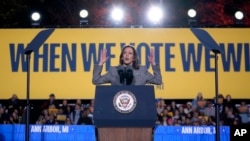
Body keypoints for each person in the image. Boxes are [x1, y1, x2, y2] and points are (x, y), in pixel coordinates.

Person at [92, 45, 162, 85]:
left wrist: (153, 64)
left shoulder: (142, 71)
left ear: (134, 57)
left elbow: (158, 81)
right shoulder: (114, 71)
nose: (127, 55)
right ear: (122, 57)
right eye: (124, 53)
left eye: (130, 53)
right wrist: (100, 63)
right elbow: (96, 80)